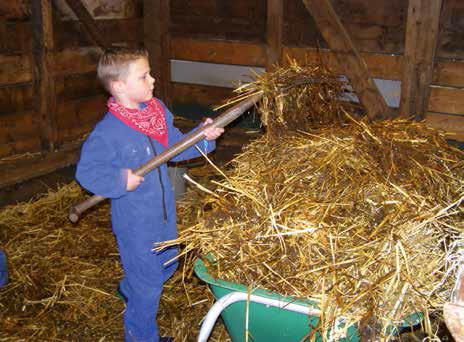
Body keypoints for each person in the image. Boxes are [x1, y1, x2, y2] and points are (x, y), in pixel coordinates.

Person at [75, 47, 224, 342]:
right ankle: (141, 335)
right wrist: (119, 179)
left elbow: (175, 147)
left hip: (164, 215)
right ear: (119, 86)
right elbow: (87, 172)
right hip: (136, 226)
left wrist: (201, 136)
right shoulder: (109, 133)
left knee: (168, 262)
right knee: (148, 288)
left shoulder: (155, 114)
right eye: (144, 76)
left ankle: (130, 287)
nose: (153, 80)